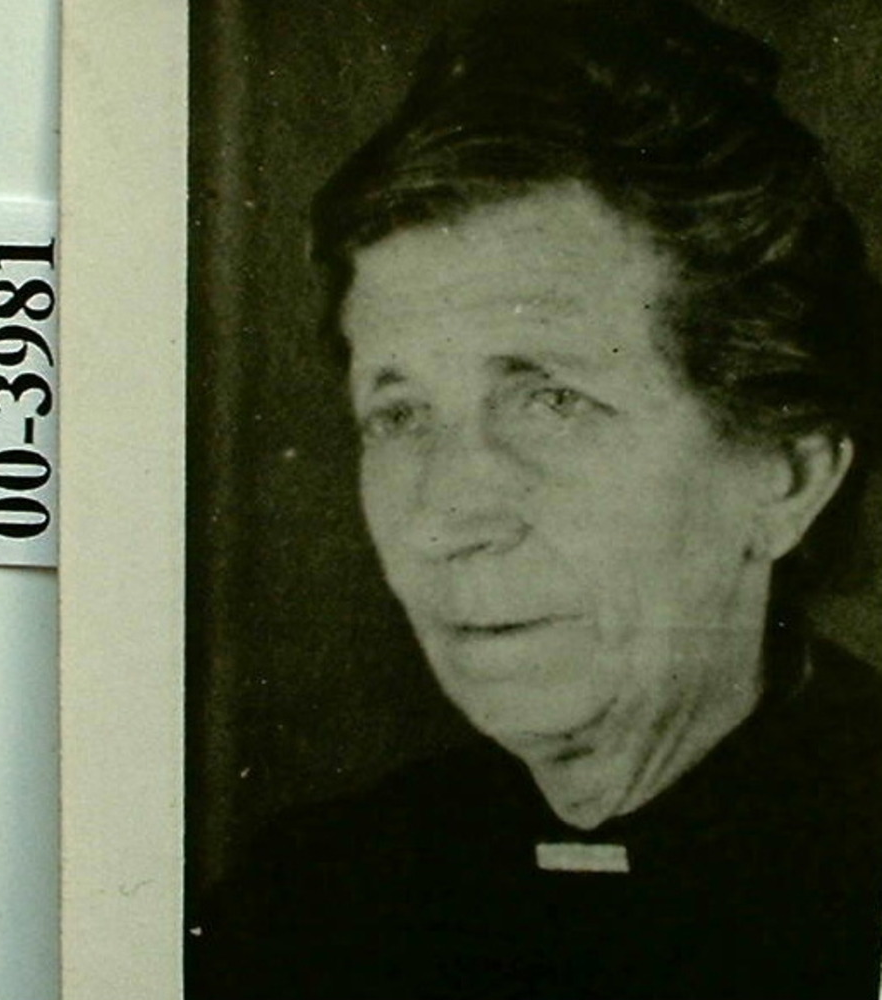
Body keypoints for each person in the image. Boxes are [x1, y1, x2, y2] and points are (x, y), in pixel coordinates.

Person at [188, 1, 882, 996]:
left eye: (551, 399)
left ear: (786, 476)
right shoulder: (302, 909)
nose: (446, 518)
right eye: (400, 414)